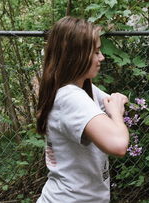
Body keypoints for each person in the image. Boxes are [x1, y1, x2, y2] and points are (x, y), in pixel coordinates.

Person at [35, 16, 129, 203]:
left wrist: (115, 109)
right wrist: (116, 113)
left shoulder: (81, 89)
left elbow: (114, 103)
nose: (101, 57)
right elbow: (118, 143)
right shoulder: (70, 97)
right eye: (95, 52)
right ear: (75, 55)